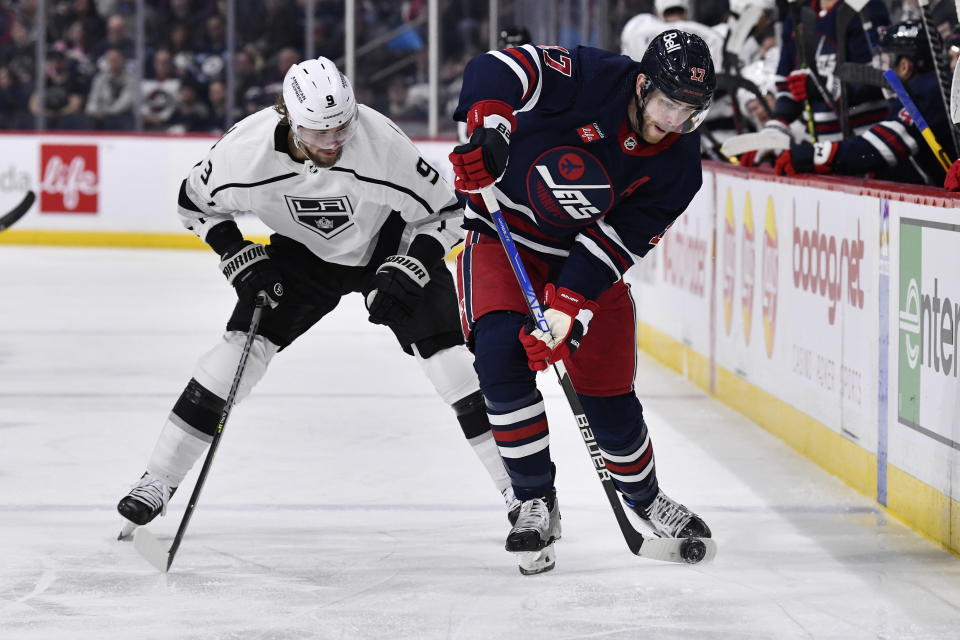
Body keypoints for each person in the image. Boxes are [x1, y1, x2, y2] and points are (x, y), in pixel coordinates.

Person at [116, 56, 518, 537]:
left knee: (451, 364)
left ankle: (520, 490)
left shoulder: (381, 143)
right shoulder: (242, 153)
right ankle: (157, 480)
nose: (333, 142)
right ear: (287, 115)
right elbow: (194, 205)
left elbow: (449, 214)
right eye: (318, 132)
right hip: (302, 257)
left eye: (342, 127)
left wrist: (415, 262)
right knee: (236, 356)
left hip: (388, 246)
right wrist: (235, 252)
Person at [448, 30, 716, 574]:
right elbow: (495, 68)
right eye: (667, 103)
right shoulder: (590, 75)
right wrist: (492, 132)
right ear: (642, 86)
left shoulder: (681, 167)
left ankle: (644, 498)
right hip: (505, 239)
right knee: (501, 355)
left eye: (690, 112)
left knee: (610, 399)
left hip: (583, 263)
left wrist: (567, 307)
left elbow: (615, 243)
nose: (674, 122)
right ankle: (533, 500)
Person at [777, 20, 952, 186]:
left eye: (884, 62)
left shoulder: (929, 92)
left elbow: (880, 147)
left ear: (905, 67)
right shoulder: (930, 87)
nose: (880, 71)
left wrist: (815, 155)